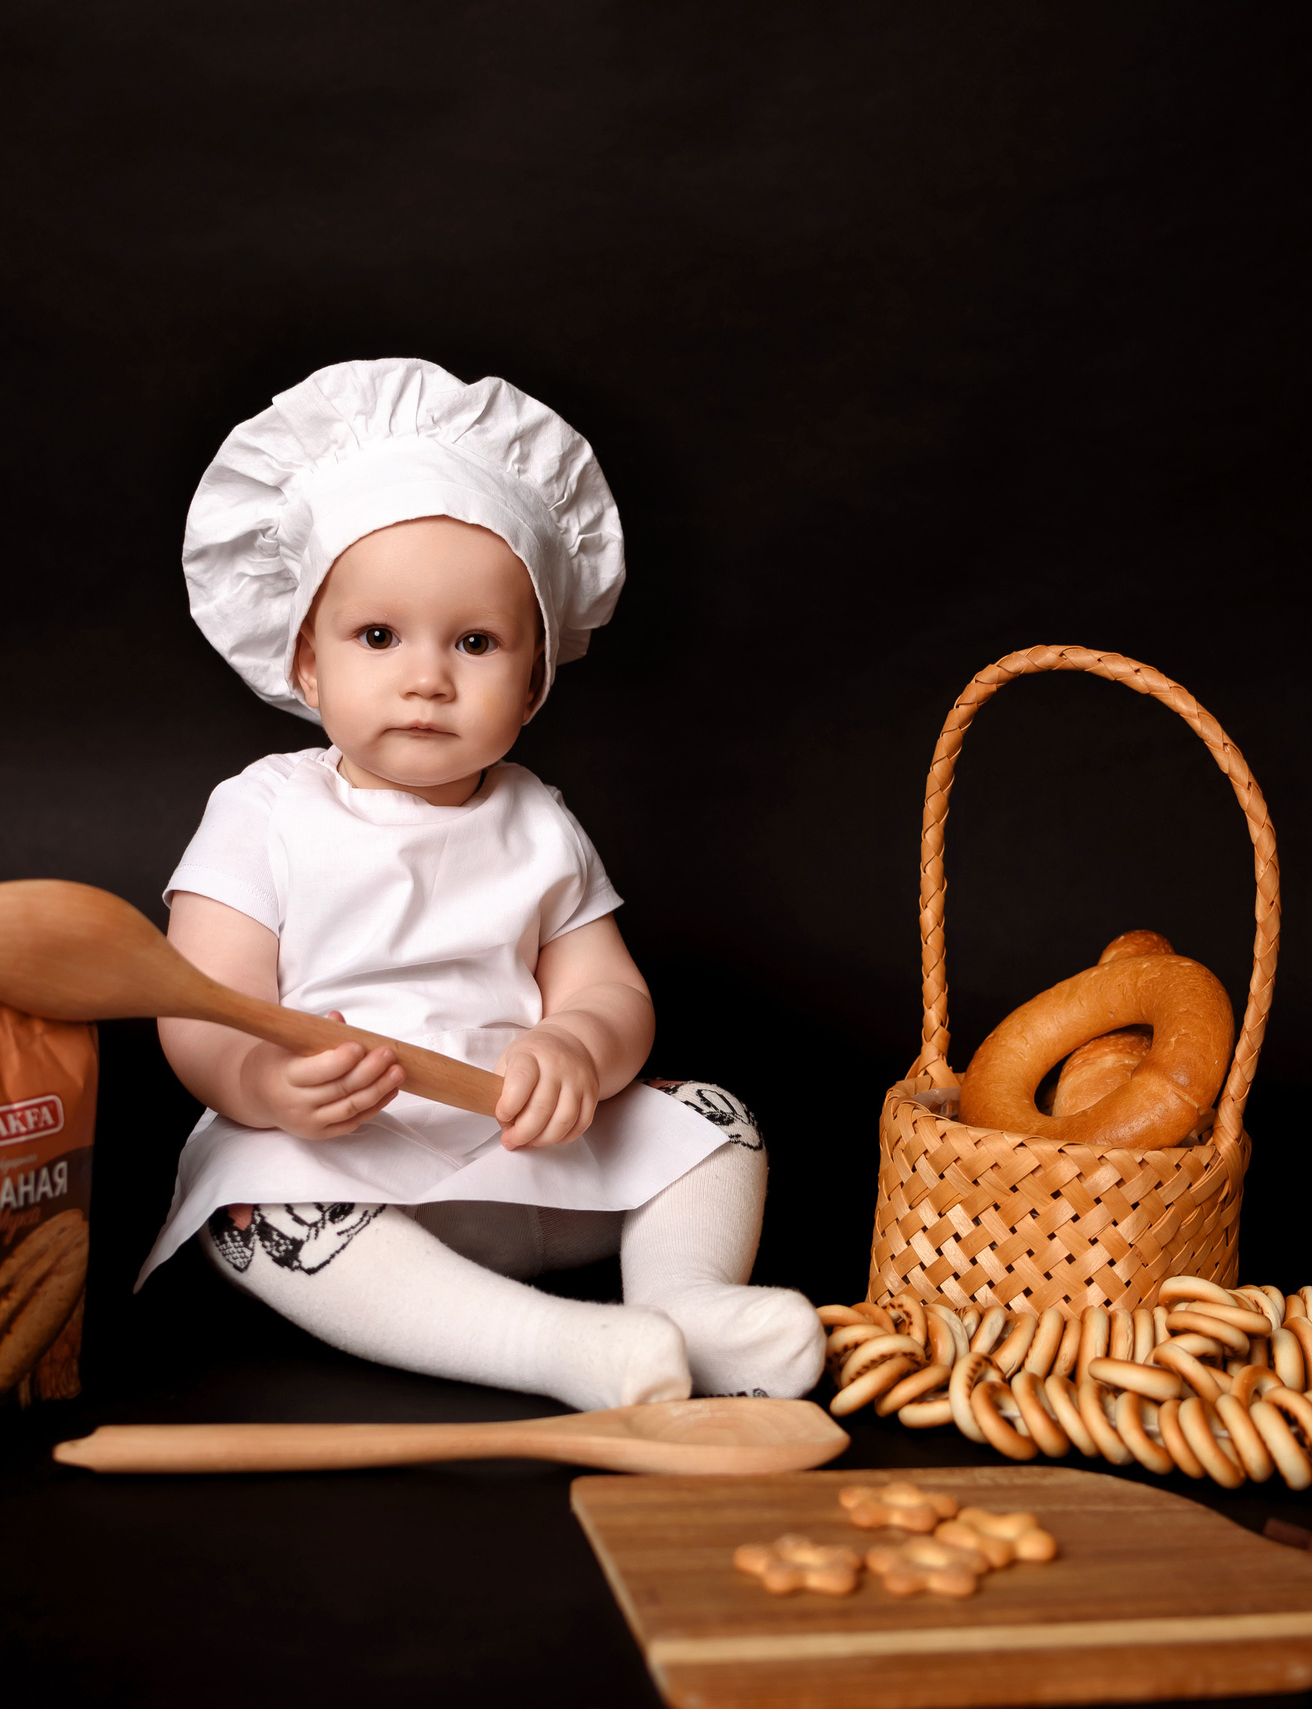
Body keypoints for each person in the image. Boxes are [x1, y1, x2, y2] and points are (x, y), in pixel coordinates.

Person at [135, 357, 824, 1410]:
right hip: (344, 1160)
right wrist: (262, 1084)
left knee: (715, 1117)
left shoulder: (536, 818)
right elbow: (200, 1003)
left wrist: (577, 1047)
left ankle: (687, 1302)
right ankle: (553, 1345)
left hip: (523, 1149)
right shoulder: (264, 810)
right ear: (306, 663)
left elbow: (609, 990)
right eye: (377, 635)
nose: (426, 675)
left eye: (475, 641)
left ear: (536, 676)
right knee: (251, 1198)